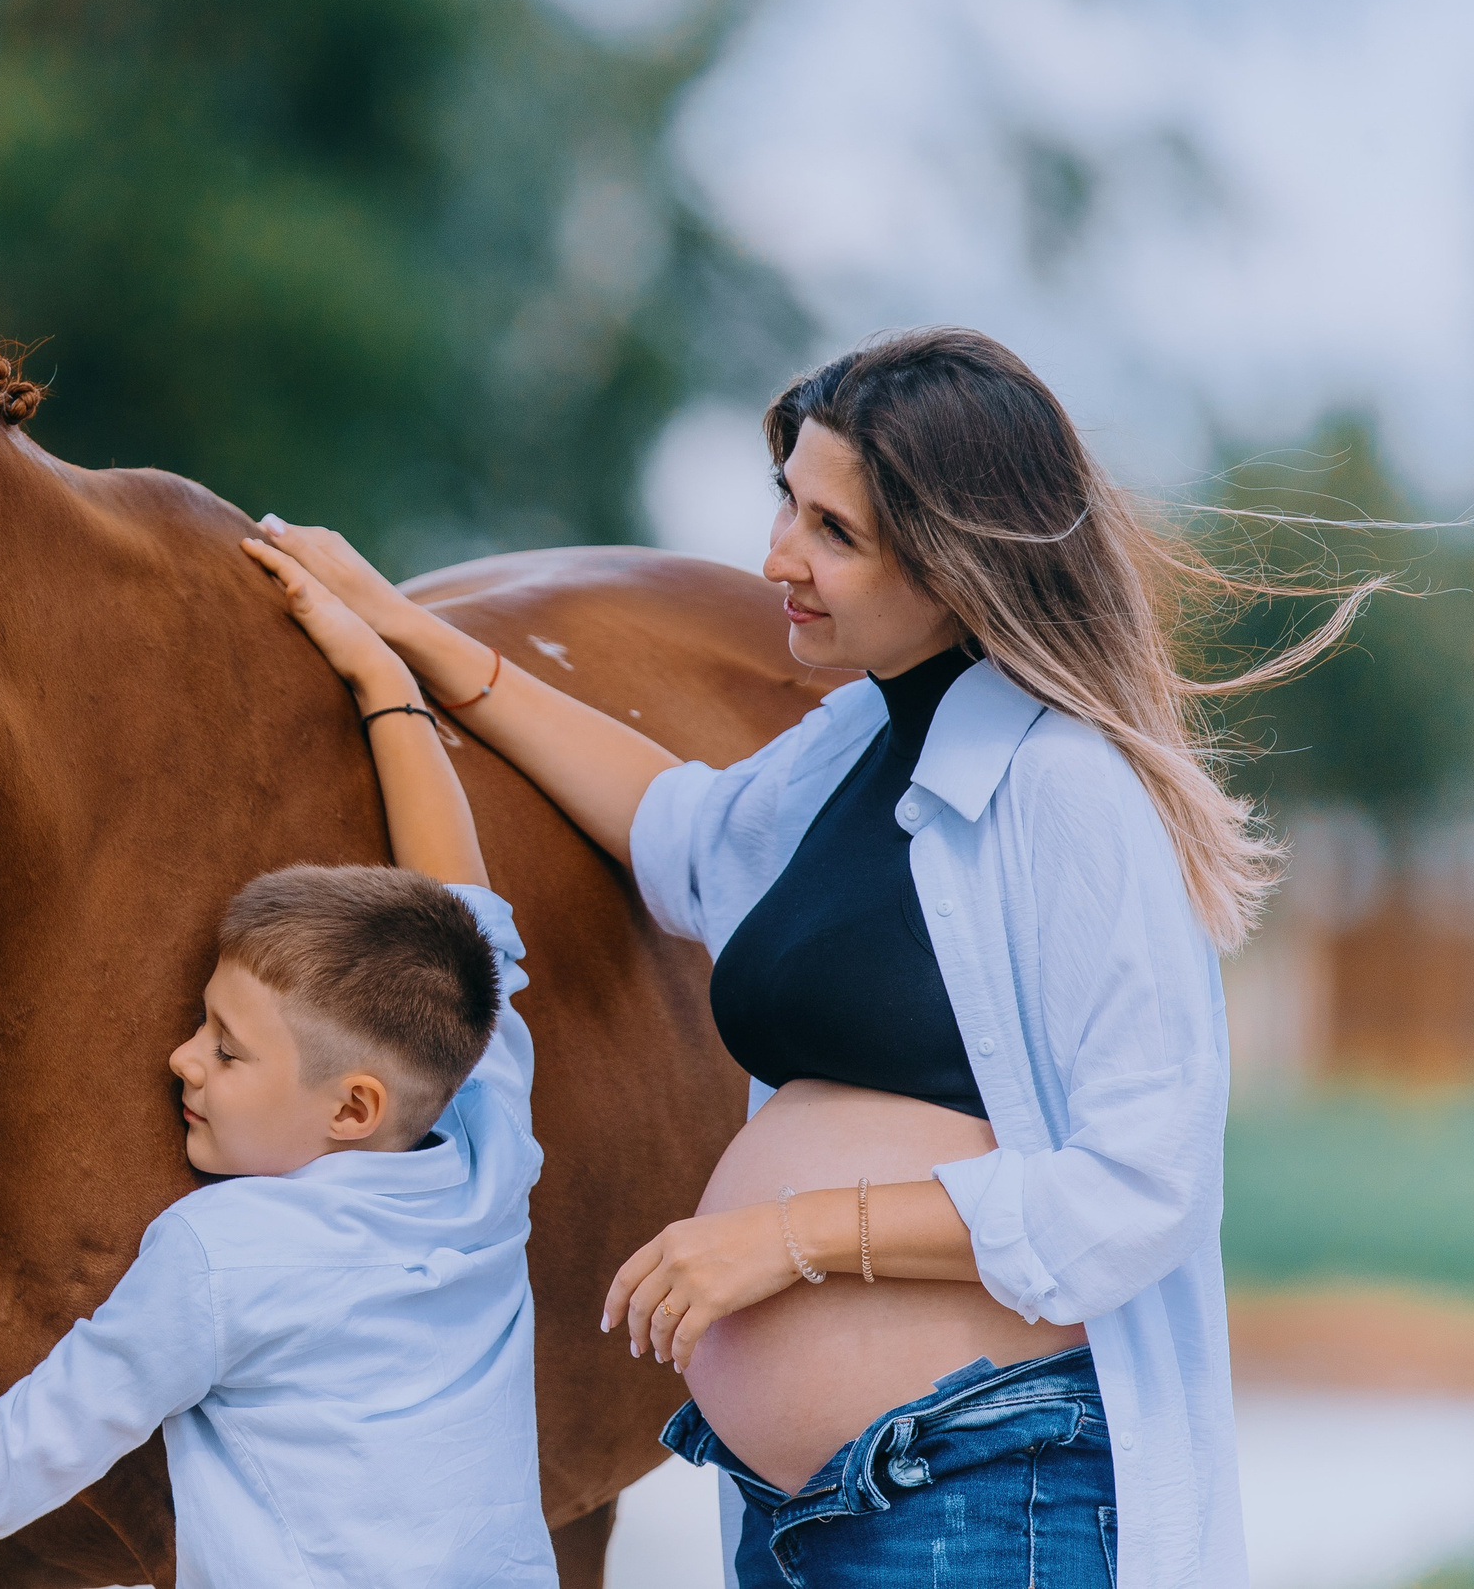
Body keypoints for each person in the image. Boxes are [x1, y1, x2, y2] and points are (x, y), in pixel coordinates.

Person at [256, 328, 1342, 1588]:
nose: (780, 557)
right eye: (788, 502)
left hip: (980, 1490)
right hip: (800, 1504)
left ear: (954, 564)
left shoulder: (1066, 789)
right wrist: (405, 637)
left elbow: (1141, 1184)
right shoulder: (853, 744)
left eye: (836, 532)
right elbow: (684, 836)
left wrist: (789, 1240)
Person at [0, 532, 559, 1587]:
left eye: (226, 1049)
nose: (181, 1059)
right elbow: (466, 912)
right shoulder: (486, 1136)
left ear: (353, 1107)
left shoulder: (219, 1258)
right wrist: (381, 681)